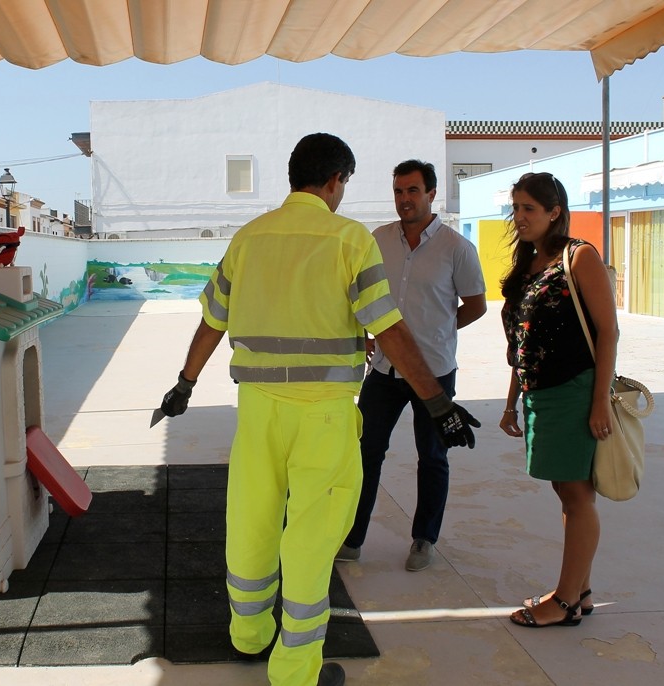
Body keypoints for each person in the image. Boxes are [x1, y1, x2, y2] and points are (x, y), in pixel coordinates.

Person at [156, 133, 479, 686]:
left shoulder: (249, 237)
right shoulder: (350, 239)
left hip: (257, 412)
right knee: (309, 536)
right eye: (344, 184)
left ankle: (249, 635)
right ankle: (297, 671)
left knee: (252, 519)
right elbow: (390, 329)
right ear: (335, 180)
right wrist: (436, 400)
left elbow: (213, 319)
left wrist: (184, 384)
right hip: (323, 415)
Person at [336, 160, 487, 571]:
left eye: (413, 191)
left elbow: (476, 305)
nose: (405, 199)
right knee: (364, 453)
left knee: (433, 456)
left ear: (432, 194)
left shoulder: (456, 249)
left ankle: (424, 539)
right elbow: (359, 294)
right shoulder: (377, 240)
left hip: (433, 372)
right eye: (399, 191)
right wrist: (366, 334)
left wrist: (441, 328)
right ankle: (351, 538)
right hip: (383, 371)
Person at [498, 172, 618, 628]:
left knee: (576, 494)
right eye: (516, 207)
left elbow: (608, 331)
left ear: (555, 212)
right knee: (566, 492)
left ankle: (565, 601)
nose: (520, 216)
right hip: (538, 394)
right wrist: (511, 402)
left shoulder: (578, 256)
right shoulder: (526, 263)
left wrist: (599, 401)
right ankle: (579, 591)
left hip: (573, 390)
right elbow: (519, 345)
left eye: (530, 208)